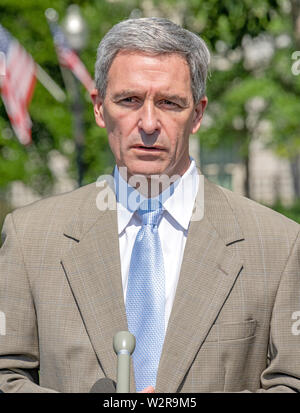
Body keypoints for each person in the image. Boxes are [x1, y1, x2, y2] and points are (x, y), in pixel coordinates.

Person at [0, 17, 300, 394]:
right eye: (129, 100)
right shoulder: (31, 239)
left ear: (198, 114)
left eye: (169, 103)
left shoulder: (278, 245)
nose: (148, 122)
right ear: (98, 107)